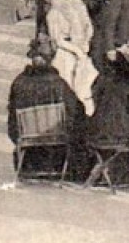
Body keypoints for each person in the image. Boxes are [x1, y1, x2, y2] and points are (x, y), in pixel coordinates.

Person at [6, 35, 87, 182]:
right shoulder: (59, 83)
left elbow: (12, 115)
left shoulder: (18, 82)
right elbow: (76, 110)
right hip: (57, 137)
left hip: (26, 137)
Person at [46, 0, 98, 114]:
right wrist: (76, 51)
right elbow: (57, 39)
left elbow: (88, 28)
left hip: (82, 51)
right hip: (65, 53)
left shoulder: (80, 8)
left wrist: (86, 43)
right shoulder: (55, 12)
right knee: (67, 86)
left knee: (85, 87)